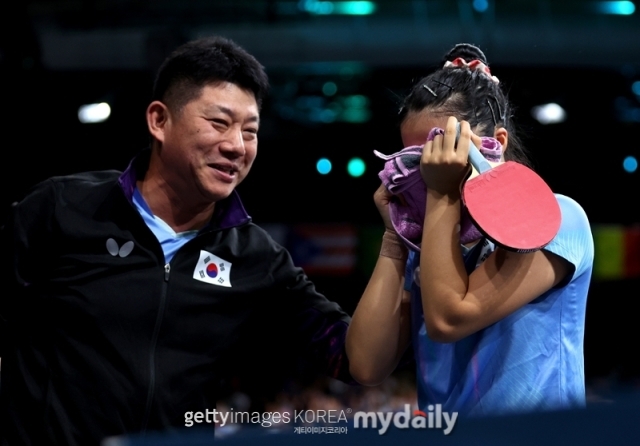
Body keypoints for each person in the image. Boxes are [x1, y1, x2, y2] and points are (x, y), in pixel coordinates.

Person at [0, 36, 352, 445]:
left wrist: (399, 243)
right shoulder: (62, 208)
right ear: (159, 121)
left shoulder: (256, 257)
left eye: (250, 131)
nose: (236, 146)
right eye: (219, 122)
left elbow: (352, 358)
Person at [346, 43, 594, 417]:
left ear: (498, 142)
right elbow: (366, 365)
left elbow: (450, 319)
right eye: (412, 161)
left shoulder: (556, 217)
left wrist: (441, 193)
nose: (426, 171)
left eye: (442, 150)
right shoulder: (428, 245)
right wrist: (395, 240)